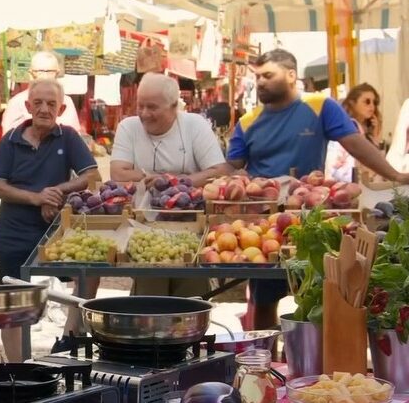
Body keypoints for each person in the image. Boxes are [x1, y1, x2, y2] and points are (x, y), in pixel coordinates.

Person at [227, 49, 409, 330]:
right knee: (264, 301)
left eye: (268, 75)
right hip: (264, 227)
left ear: (290, 76)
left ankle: (307, 362)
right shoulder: (247, 122)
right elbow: (230, 167)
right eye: (257, 77)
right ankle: (263, 362)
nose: (260, 82)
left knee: (313, 299)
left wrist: (395, 174)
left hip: (312, 223)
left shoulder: (320, 106)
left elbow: (355, 143)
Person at [0, 79, 100, 362]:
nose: (44, 109)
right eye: (37, 103)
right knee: (12, 303)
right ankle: (18, 368)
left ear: (60, 108)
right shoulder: (10, 141)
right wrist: (37, 198)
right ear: (28, 106)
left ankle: (69, 337)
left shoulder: (69, 138)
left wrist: (57, 193)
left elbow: (91, 176)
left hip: (56, 231)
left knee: (89, 272)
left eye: (51, 104)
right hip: (12, 233)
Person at [110, 73, 232, 297]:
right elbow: (118, 173)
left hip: (190, 228)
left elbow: (219, 170)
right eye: (141, 106)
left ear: (174, 106)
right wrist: (172, 178)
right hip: (145, 231)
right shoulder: (128, 127)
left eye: (152, 107)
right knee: (149, 301)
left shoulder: (194, 125)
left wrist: (171, 182)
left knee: (191, 299)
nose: (145, 114)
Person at [1, 51, 83, 133]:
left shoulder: (66, 102)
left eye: (50, 71)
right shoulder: (16, 102)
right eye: (40, 71)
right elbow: (8, 136)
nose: (45, 76)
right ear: (31, 74)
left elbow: (74, 135)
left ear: (57, 74)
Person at [326, 83, 384, 182]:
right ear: (353, 103)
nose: (372, 106)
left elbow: (377, 162)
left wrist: (375, 136)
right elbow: (334, 167)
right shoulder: (344, 129)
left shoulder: (366, 130)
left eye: (374, 102)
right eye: (367, 102)